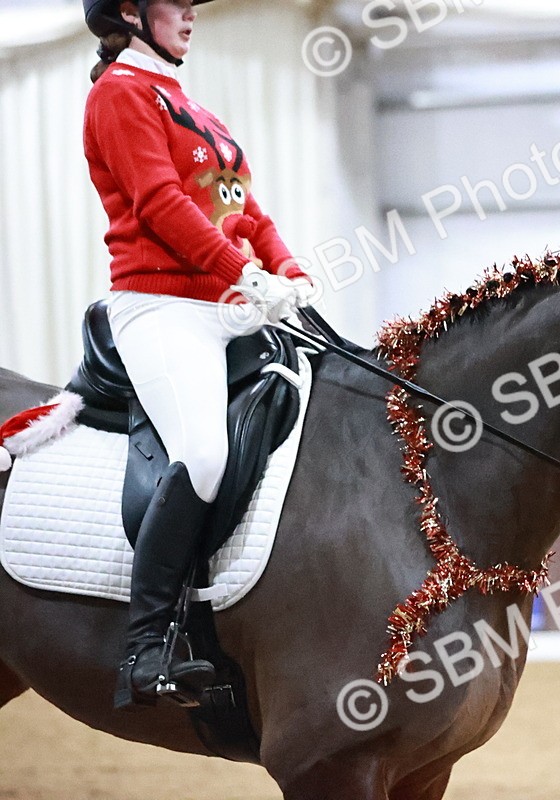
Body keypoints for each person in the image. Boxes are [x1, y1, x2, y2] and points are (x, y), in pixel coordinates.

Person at [82, 0, 312, 710]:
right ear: (130, 10)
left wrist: (287, 268)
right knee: (205, 453)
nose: (189, 12)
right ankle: (144, 647)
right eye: (175, 1)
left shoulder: (197, 110)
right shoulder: (118, 95)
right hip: (160, 307)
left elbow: (245, 209)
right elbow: (158, 203)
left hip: (224, 306)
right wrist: (243, 274)